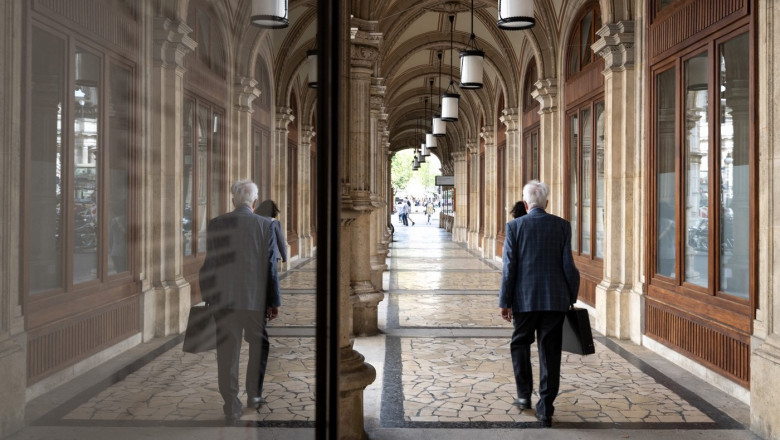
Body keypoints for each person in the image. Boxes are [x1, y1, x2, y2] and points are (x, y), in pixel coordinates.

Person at [199, 180, 281, 426]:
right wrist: (273, 301)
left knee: (227, 352)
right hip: (255, 301)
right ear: (254, 202)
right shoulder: (267, 225)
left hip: (224, 300)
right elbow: (270, 267)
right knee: (259, 345)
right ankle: (254, 396)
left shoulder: (216, 224)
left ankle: (230, 406)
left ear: (233, 199)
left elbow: (209, 264)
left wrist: (208, 297)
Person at [498, 180, 580, 428]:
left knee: (520, 343)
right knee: (550, 351)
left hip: (523, 300)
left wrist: (505, 301)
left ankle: (524, 395)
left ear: (525, 203)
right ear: (547, 203)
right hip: (554, 300)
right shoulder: (562, 226)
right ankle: (546, 407)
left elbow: (509, 268)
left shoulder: (514, 227)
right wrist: (571, 296)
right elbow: (569, 267)